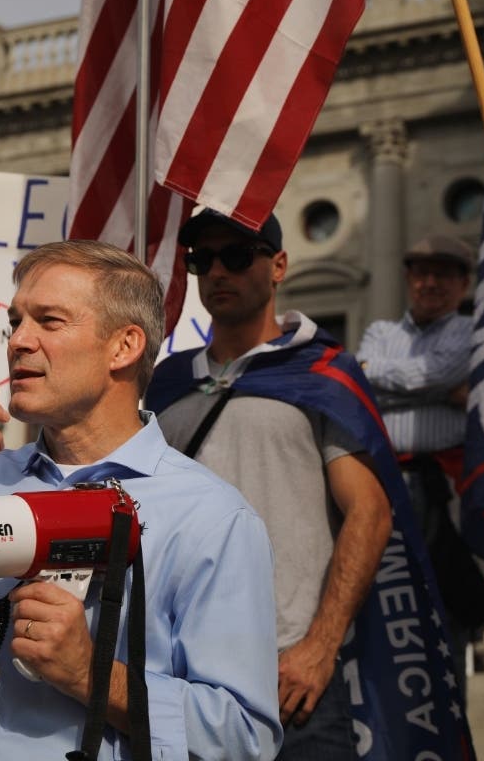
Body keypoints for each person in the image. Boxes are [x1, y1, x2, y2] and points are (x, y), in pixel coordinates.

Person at [0, 240, 282, 760]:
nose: (17, 341)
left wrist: (94, 674)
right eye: (17, 321)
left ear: (124, 347)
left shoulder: (210, 518)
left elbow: (244, 738)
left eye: (50, 321)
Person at [146, 209, 413, 760]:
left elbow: (370, 511)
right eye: (203, 260)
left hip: (287, 673)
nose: (218, 271)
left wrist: (319, 646)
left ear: (279, 266)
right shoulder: (164, 385)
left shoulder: (323, 372)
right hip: (179, 673)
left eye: (238, 256)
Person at [355, 234, 484, 703]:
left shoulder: (468, 329)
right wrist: (443, 391)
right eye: (422, 272)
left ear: (463, 283)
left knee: (444, 603)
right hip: (381, 482)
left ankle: (450, 717)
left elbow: (430, 373)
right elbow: (363, 385)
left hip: (445, 487)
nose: (430, 282)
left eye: (444, 274)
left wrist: (388, 380)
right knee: (384, 602)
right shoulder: (379, 332)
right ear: (409, 278)